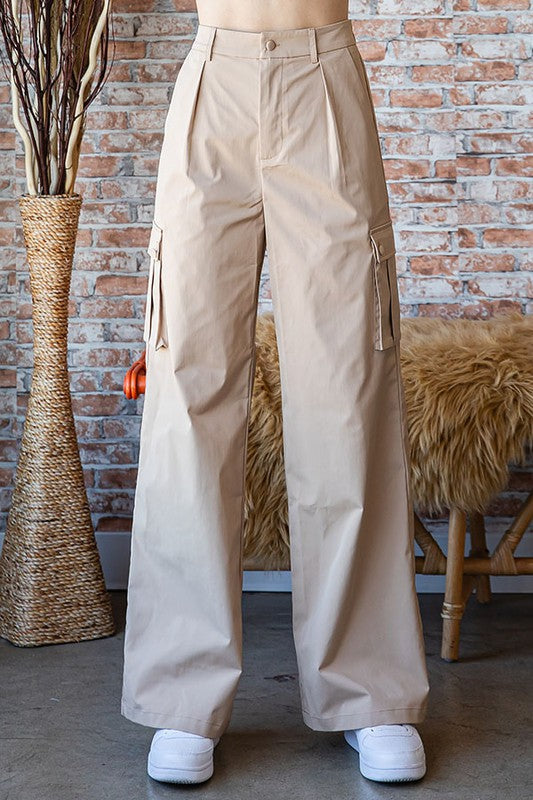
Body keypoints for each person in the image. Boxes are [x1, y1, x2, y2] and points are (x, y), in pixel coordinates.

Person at [121, 0, 430, 785]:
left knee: (346, 391)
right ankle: (184, 697)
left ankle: (370, 692)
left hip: (323, 76)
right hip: (212, 81)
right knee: (188, 391)